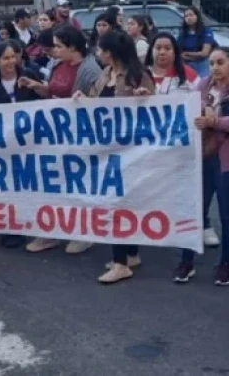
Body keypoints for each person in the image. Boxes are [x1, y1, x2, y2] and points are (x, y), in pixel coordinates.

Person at [76, 31, 155, 283]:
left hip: (129, 151)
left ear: (109, 52)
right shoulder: (104, 75)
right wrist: (82, 99)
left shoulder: (137, 76)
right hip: (106, 150)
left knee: (117, 203)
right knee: (116, 201)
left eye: (100, 49)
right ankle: (130, 254)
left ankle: (121, 263)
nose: (98, 54)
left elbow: (159, 109)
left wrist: (145, 98)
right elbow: (95, 102)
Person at [173, 47, 229, 287]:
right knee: (196, 208)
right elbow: (188, 111)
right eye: (211, 63)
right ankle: (186, 260)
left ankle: (226, 263)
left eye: (220, 62)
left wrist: (213, 121)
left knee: (228, 214)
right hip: (205, 157)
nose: (215, 68)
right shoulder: (203, 86)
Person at [17, 25, 100, 255]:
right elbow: (54, 92)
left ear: (72, 47)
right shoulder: (58, 65)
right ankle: (52, 231)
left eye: (59, 46)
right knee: (52, 184)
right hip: (54, 136)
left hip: (77, 138)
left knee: (77, 185)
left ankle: (83, 233)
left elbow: (94, 106)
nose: (54, 50)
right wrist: (37, 87)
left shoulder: (89, 70)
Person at [0, 40, 40, 248]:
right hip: (5, 145)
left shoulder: (29, 75)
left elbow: (47, 100)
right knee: (8, 187)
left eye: (13, 57)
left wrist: (37, 86)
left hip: (31, 142)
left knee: (30, 185)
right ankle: (11, 228)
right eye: (5, 58)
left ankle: (33, 224)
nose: (10, 61)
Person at [179, 6, 215, 78]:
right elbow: (179, 52)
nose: (189, 18)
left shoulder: (206, 31)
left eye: (191, 15)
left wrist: (187, 53)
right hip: (187, 63)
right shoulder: (182, 33)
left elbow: (204, 53)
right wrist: (190, 57)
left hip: (203, 63)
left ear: (197, 16)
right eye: (186, 16)